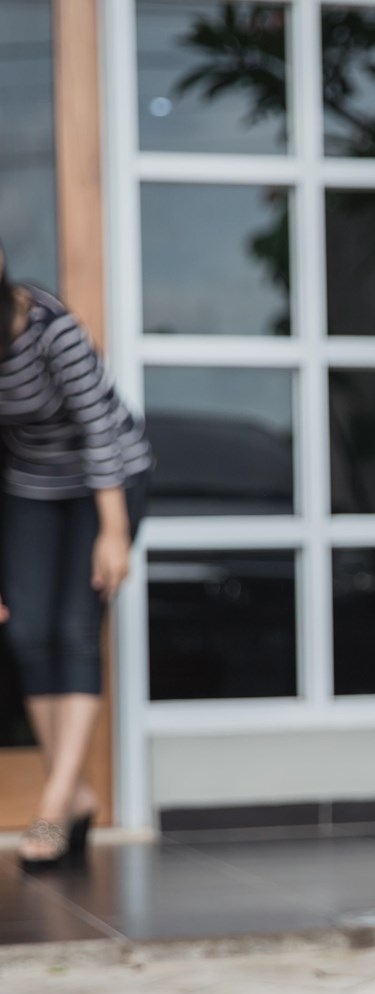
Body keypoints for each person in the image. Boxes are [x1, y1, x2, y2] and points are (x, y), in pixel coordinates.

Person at [0, 244, 152, 869]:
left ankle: (55, 803)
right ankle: (80, 795)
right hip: (31, 488)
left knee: (74, 629)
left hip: (107, 482)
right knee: (28, 631)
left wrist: (113, 532)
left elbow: (99, 430)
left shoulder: (49, 330)